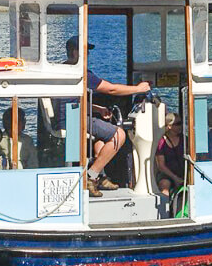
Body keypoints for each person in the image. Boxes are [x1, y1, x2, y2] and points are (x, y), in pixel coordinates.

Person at [64, 35, 152, 196]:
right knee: (119, 135)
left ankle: (100, 175)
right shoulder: (82, 74)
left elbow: (70, 100)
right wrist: (139, 89)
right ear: (74, 52)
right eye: (84, 51)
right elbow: (111, 89)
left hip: (69, 116)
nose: (88, 55)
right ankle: (90, 177)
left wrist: (97, 109)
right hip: (73, 119)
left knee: (102, 139)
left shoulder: (64, 69)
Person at [155, 113, 185, 214]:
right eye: (178, 123)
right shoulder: (161, 143)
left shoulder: (185, 139)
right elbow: (161, 166)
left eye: (181, 123)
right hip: (167, 173)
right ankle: (165, 213)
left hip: (183, 170)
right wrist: (175, 178)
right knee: (165, 185)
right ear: (169, 126)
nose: (181, 126)